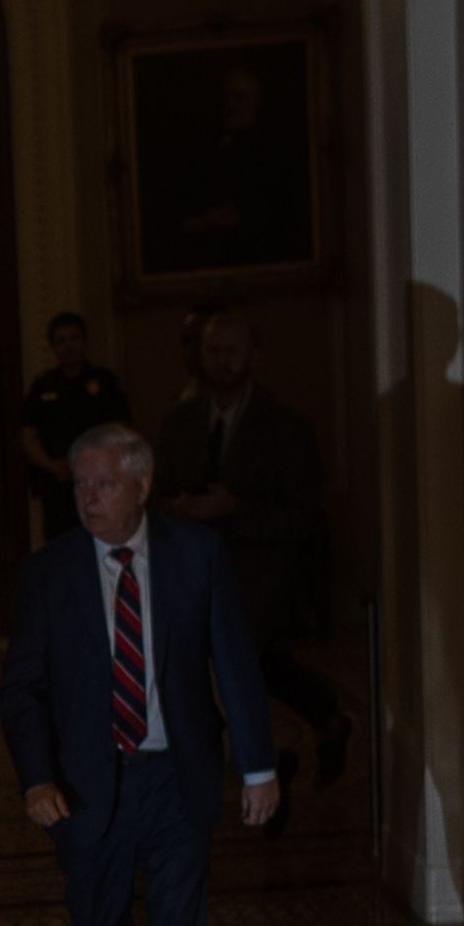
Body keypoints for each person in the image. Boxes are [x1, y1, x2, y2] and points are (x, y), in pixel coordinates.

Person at [0, 426, 278, 926]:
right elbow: (22, 687)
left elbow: (233, 661)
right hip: (87, 787)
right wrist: (35, 778)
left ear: (141, 485)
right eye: (79, 486)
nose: (88, 498)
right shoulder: (50, 571)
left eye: (103, 484)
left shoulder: (193, 555)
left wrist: (256, 766)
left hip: (175, 778)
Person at [154, 307, 349, 784]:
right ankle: (305, 730)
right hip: (193, 572)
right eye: (213, 351)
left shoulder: (287, 427)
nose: (221, 362)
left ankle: (269, 757)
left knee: (238, 665)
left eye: (232, 352)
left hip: (262, 576)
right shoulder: (178, 422)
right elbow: (154, 493)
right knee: (238, 668)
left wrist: (235, 509)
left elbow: (306, 516)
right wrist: (177, 508)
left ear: (254, 357)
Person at [13, 310, 130, 553]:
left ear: (85, 341)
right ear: (53, 347)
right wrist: (51, 465)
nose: (68, 346)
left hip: (101, 484)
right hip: (59, 488)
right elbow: (28, 434)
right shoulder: (43, 386)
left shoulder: (104, 382)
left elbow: (122, 432)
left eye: (73, 338)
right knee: (61, 549)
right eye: (61, 341)